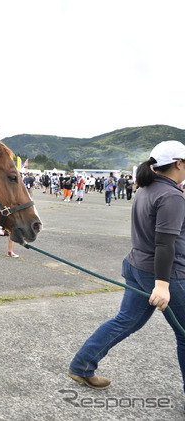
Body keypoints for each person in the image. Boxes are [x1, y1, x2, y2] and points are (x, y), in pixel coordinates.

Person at [68, 140, 185, 394]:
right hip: (164, 274)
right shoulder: (171, 195)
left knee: (126, 321)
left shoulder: (147, 188)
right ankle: (81, 365)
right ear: (178, 163)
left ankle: (81, 365)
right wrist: (163, 286)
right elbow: (165, 244)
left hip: (137, 265)